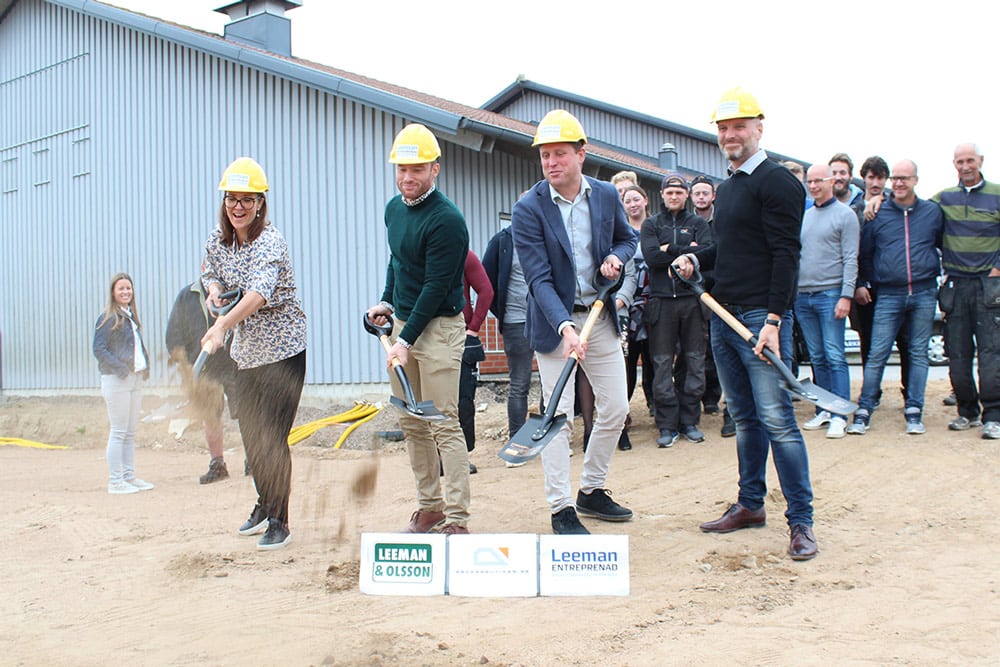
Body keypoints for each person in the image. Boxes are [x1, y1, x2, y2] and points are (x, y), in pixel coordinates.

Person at [673, 87, 817, 561]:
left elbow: (786, 254)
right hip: (723, 315)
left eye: (739, 126)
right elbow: (731, 250)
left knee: (778, 420)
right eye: (723, 127)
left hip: (760, 318)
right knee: (745, 417)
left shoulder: (777, 182)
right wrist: (697, 258)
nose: (730, 134)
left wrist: (775, 319)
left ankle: (801, 522)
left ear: (759, 128)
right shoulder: (730, 187)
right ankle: (751, 505)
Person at [510, 109, 636, 535]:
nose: (551, 163)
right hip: (554, 326)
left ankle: (592, 489)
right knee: (557, 417)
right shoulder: (528, 208)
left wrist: (617, 257)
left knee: (616, 407)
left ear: (582, 154)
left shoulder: (603, 195)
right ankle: (561, 507)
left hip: (598, 316)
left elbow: (627, 236)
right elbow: (538, 277)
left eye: (560, 154)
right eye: (545, 155)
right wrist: (564, 327)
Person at [366, 124, 471, 535]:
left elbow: (435, 285)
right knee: (411, 421)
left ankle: (458, 518)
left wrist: (405, 341)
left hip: (440, 328)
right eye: (401, 169)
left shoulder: (447, 220)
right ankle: (431, 507)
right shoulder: (394, 209)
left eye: (417, 169)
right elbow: (398, 261)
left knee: (443, 421)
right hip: (406, 325)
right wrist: (388, 302)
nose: (407, 178)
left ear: (435, 169)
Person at [201, 157, 307, 551]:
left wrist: (221, 325)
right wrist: (213, 290)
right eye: (232, 199)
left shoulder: (270, 242)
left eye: (248, 200)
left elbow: (259, 293)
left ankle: (280, 520)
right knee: (250, 435)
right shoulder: (218, 239)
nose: (239, 207)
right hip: (246, 352)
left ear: (261, 202)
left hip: (283, 351)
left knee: (272, 438)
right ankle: (265, 502)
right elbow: (209, 270)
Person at [848, 159, 943, 436]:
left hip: (924, 291)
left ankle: (914, 410)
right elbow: (866, 253)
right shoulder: (876, 213)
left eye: (905, 178)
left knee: (917, 353)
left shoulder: (932, 212)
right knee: (877, 352)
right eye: (896, 179)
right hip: (889, 293)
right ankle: (865, 408)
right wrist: (863, 282)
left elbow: (942, 245)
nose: (900, 183)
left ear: (915, 180)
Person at [931, 143, 1000, 439]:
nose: (965, 166)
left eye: (970, 160)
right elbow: (913, 210)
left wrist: (998, 268)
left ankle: (994, 415)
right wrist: (877, 200)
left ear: (981, 161)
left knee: (991, 353)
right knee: (957, 353)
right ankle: (967, 411)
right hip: (956, 285)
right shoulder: (943, 198)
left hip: (989, 284)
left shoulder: (997, 193)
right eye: (960, 161)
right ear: (954, 164)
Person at [641, 174, 713, 446]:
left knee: (694, 362)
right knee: (661, 365)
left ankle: (689, 421)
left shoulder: (697, 223)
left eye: (679, 192)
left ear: (687, 195)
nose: (674, 197)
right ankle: (666, 425)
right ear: (662, 195)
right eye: (669, 192)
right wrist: (686, 251)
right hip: (661, 301)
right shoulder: (651, 224)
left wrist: (670, 247)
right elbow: (652, 257)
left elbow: (707, 253)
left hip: (691, 300)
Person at [794, 164, 859, 438]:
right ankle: (823, 408)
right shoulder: (805, 216)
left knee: (834, 355)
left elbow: (851, 258)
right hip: (803, 295)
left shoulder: (845, 215)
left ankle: (839, 413)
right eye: (810, 181)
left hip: (830, 293)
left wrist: (846, 295)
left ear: (832, 181)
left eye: (818, 180)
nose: (813, 185)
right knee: (817, 357)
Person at [165, 277, 238, 484]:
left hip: (234, 362)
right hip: (204, 365)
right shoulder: (187, 296)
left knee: (247, 412)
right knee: (210, 416)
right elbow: (173, 334)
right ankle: (217, 463)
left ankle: (254, 460)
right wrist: (185, 364)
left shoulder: (236, 292)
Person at [854, 155, 910, 406]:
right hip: (866, 287)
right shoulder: (853, 210)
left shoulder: (895, 206)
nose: (875, 182)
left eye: (880, 177)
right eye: (871, 177)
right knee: (868, 342)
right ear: (864, 178)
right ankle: (871, 393)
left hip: (892, 285)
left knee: (905, 341)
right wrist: (859, 283)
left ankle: (909, 392)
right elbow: (850, 251)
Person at [92, 272, 154, 495]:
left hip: (134, 379)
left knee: (129, 432)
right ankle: (115, 480)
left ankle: (129, 476)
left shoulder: (130, 317)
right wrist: (120, 368)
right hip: (117, 380)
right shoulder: (107, 318)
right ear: (113, 293)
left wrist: (143, 367)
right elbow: (99, 349)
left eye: (128, 288)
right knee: (118, 431)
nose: (126, 292)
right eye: (121, 289)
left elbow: (137, 347)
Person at [482, 219, 534, 451]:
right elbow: (486, 282)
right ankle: (517, 440)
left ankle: (548, 437)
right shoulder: (502, 241)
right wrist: (501, 311)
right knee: (520, 382)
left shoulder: (544, 237)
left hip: (547, 321)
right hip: (515, 321)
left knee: (553, 382)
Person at [690, 176, 732, 436]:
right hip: (692, 291)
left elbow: (718, 251)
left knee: (723, 351)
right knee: (697, 351)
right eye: (697, 193)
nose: (702, 197)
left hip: (721, 291)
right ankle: (699, 403)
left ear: (713, 196)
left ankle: (727, 407)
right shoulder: (687, 222)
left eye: (706, 193)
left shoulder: (722, 223)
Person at [620, 185, 655, 420]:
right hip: (626, 304)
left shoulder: (656, 228)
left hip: (654, 301)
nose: (632, 204)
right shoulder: (620, 232)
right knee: (627, 360)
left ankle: (656, 405)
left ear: (645, 200)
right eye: (627, 201)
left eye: (636, 199)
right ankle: (624, 412)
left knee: (653, 358)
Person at [459, 250, 494, 473]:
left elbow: (486, 291)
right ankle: (437, 456)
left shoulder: (465, 256)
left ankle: (459, 455)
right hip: (427, 336)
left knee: (462, 400)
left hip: (461, 337)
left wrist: (474, 327)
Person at [829, 153, 865, 218]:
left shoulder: (862, 204)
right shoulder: (822, 203)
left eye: (842, 173)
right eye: (834, 173)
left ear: (850, 176)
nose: (838, 177)